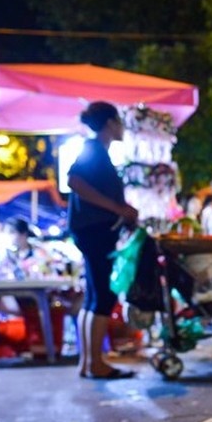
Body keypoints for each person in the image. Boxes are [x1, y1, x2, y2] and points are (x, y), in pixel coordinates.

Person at [68, 100, 139, 379]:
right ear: (110, 123)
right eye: (119, 122)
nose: (122, 128)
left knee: (94, 296)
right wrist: (118, 209)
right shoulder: (93, 150)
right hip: (95, 230)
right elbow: (74, 181)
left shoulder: (98, 152)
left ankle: (88, 362)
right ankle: (96, 363)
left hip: (93, 230)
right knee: (103, 297)